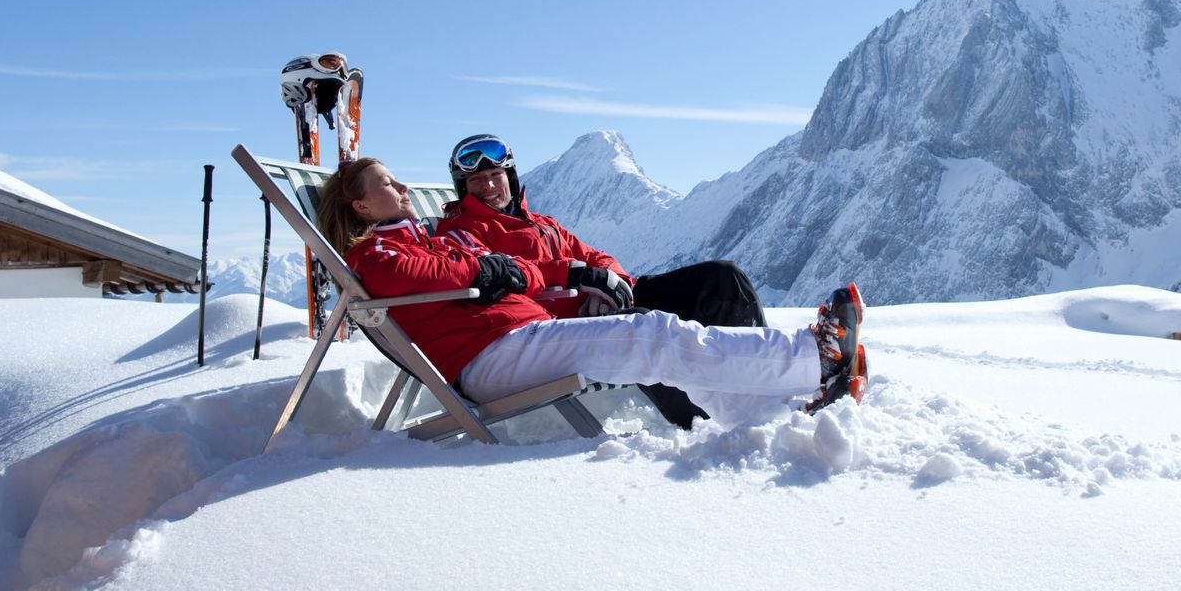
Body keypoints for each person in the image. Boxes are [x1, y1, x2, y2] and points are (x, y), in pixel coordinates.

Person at [316, 157, 868, 427]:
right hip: (488, 355)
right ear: (361, 206)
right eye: (387, 183)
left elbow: (516, 269)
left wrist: (529, 273)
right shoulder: (375, 254)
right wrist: (483, 270)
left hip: (518, 335)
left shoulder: (428, 239)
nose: (402, 186)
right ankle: (812, 358)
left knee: (657, 341)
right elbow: (432, 275)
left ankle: (786, 409)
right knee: (652, 335)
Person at [432, 133, 773, 427]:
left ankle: (764, 384)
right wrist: (580, 282)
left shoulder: (541, 222)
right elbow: (506, 276)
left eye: (496, 175)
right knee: (643, 326)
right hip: (563, 327)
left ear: (510, 176)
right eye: (477, 181)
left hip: (605, 303)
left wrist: (610, 283)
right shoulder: (461, 233)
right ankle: (704, 424)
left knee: (722, 278)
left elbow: (597, 257)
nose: (490, 186)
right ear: (463, 188)